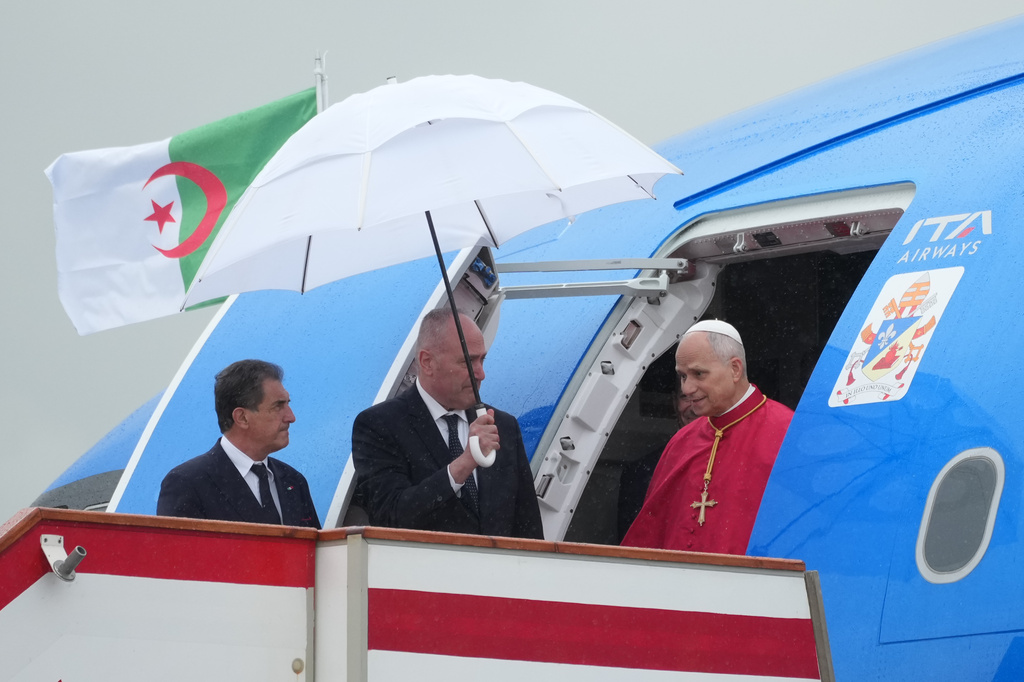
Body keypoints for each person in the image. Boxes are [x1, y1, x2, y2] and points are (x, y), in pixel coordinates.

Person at [352, 308, 543, 539]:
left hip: (499, 573)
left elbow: (527, 525)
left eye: (482, 359)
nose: (481, 374)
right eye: (467, 362)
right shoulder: (380, 425)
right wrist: (463, 465)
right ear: (427, 362)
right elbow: (389, 516)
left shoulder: (502, 425)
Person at [622, 320, 793, 554]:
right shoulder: (681, 442)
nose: (687, 388)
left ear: (735, 369)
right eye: (683, 376)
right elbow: (651, 536)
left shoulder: (787, 433)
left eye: (698, 374)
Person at [157, 359, 320, 528]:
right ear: (242, 417)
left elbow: (315, 551)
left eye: (288, 404)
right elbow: (177, 553)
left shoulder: (293, 481)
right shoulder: (187, 483)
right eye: (278, 406)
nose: (291, 417)